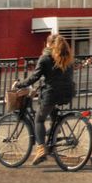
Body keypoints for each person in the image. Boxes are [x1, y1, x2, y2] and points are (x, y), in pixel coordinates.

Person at [13, 34, 77, 165]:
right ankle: (54, 135)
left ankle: (41, 148)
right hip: (67, 92)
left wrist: (19, 84)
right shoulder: (68, 58)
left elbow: (34, 77)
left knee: (39, 119)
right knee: (53, 113)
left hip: (51, 93)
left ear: (48, 44)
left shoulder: (45, 58)